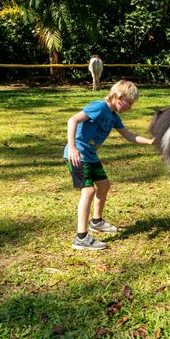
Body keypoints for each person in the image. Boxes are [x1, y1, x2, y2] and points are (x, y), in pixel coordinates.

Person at [64, 80, 154, 250]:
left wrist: (150, 142)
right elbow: (72, 120)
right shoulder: (99, 107)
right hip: (78, 155)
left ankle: (96, 222)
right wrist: (73, 148)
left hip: (90, 155)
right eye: (129, 103)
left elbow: (129, 136)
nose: (130, 107)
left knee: (104, 185)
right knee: (88, 191)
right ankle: (81, 238)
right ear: (119, 97)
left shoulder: (113, 117)